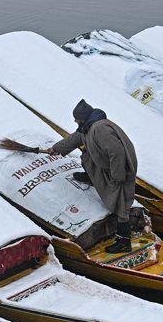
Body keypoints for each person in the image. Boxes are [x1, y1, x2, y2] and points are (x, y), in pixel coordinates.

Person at [48, 99, 137, 254]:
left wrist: (118, 176)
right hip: (109, 167)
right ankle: (91, 177)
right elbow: (74, 139)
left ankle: (124, 242)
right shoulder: (87, 127)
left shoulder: (99, 128)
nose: (75, 121)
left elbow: (117, 152)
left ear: (82, 117)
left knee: (120, 203)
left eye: (76, 118)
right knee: (87, 156)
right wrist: (55, 149)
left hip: (121, 170)